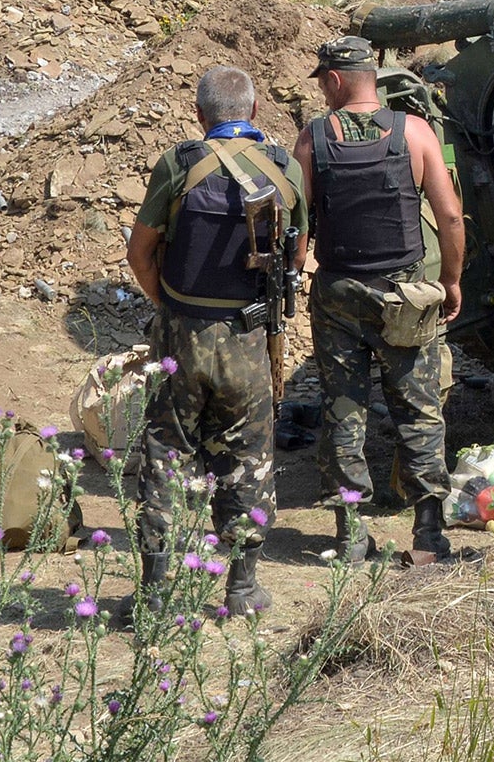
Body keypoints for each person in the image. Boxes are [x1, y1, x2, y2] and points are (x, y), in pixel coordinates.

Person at [124, 64, 304, 619]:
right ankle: (243, 588)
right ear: (253, 112)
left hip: (183, 335)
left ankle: (156, 595)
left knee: (164, 455)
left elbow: (140, 253)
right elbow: (295, 258)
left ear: (200, 116)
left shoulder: (179, 164)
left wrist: (170, 305)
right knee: (248, 458)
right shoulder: (284, 167)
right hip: (250, 338)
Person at [295, 35, 464, 565]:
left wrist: (301, 269)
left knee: (344, 409)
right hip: (405, 294)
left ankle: (349, 535)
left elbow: (298, 228)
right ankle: (429, 533)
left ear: (335, 80)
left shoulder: (312, 139)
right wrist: (452, 280)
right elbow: (452, 216)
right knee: (418, 410)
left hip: (340, 291)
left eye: (323, 81)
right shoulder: (414, 132)